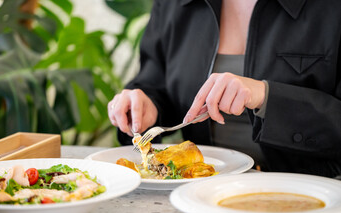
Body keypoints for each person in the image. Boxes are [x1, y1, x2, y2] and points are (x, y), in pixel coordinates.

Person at [107, 0, 341, 178]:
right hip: (201, 192)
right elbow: (155, 82)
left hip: (314, 194)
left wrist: (264, 97)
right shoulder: (173, 4)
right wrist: (144, 106)